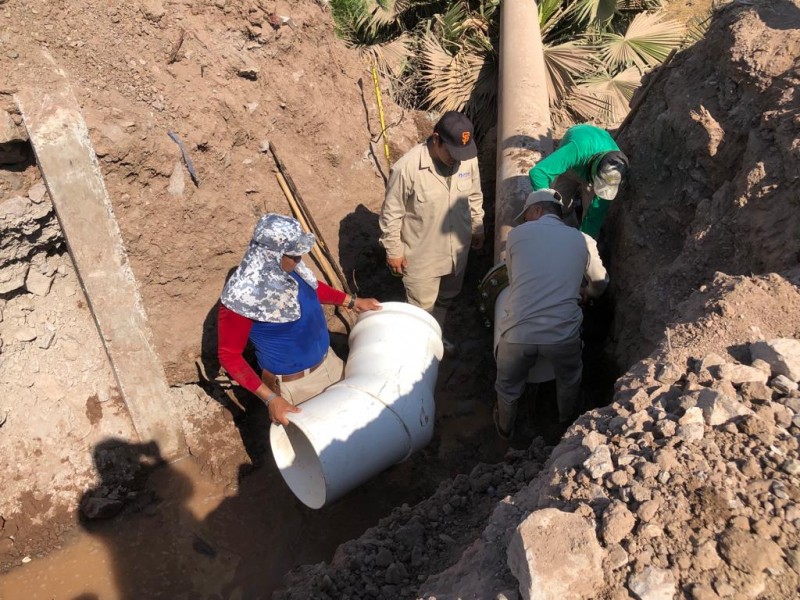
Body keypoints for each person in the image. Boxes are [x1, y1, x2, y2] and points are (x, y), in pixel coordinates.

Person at [217, 213, 381, 426]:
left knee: (355, 425)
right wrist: (271, 399)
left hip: (330, 363)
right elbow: (229, 355)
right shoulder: (240, 299)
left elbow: (312, 288)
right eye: (293, 255)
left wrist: (352, 301)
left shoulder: (289, 269)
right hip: (297, 388)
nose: (299, 259)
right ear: (271, 254)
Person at [493, 189, 609, 440]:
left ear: (536, 210)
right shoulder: (583, 240)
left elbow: (514, 282)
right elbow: (600, 283)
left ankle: (505, 430)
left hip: (517, 333)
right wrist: (586, 292)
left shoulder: (515, 236)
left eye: (526, 216)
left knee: (507, 387)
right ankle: (564, 424)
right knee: (569, 379)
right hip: (562, 334)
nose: (525, 221)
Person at [378, 111, 485, 353]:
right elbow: (391, 214)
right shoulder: (407, 168)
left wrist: (478, 227)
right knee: (420, 309)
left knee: (446, 299)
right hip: (422, 256)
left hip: (457, 252)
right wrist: (393, 250)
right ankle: (419, 352)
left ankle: (435, 339)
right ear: (436, 139)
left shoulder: (467, 159)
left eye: (461, 154)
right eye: (452, 153)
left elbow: (474, 196)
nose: (457, 160)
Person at [529, 123, 629, 239]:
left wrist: (585, 244)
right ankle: (563, 226)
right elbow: (538, 173)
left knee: (591, 213)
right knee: (559, 203)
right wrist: (547, 209)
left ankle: (577, 237)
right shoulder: (576, 150)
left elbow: (595, 216)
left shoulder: (613, 173)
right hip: (577, 159)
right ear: (594, 171)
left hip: (593, 165)